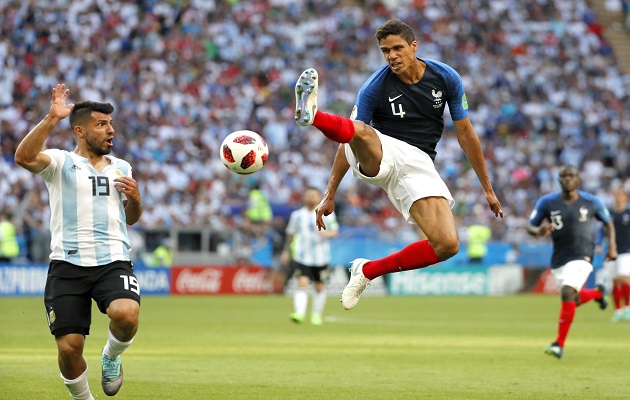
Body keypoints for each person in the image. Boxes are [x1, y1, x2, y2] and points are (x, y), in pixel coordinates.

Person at [293, 19, 503, 310]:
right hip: (381, 151)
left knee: (447, 245)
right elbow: (351, 138)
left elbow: (466, 134)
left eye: (397, 48)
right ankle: (313, 116)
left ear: (414, 47)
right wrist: (330, 194)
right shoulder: (374, 87)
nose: (391, 55)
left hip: (419, 165)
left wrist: (488, 189)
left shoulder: (446, 77)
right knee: (361, 130)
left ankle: (367, 271)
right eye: (385, 51)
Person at [14, 84, 143, 399]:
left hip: (113, 261)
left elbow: (131, 218)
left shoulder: (121, 167)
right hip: (68, 265)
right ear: (80, 131)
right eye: (102, 124)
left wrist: (136, 200)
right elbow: (23, 157)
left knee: (126, 314)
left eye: (111, 124)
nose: (111, 130)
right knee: (69, 348)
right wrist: (50, 118)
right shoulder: (60, 163)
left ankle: (111, 356)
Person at [527, 165, 616, 359]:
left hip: (583, 255)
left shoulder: (591, 202)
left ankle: (558, 344)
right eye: (564, 176)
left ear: (579, 180)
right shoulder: (547, 202)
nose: (568, 179)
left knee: (567, 292)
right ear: (559, 180)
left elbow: (607, 222)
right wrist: (538, 231)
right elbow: (530, 227)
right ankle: (597, 293)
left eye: (572, 176)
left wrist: (612, 247)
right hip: (559, 258)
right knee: (572, 299)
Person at [281, 187, 339, 325]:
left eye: (314, 195)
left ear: (319, 197)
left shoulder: (327, 213)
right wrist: (286, 251)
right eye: (309, 195)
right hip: (303, 256)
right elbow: (290, 234)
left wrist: (326, 234)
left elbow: (335, 231)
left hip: (321, 257)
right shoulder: (297, 215)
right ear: (304, 198)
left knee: (319, 286)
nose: (311, 198)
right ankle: (299, 313)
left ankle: (316, 315)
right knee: (302, 283)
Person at [597, 188, 630, 322]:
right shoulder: (608, 214)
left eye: (621, 195)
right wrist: (598, 243)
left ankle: (628, 308)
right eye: (616, 194)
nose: (618, 197)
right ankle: (618, 310)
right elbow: (601, 229)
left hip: (626, 251)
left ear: (626, 197)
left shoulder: (628, 213)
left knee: (623, 278)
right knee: (614, 281)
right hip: (611, 251)